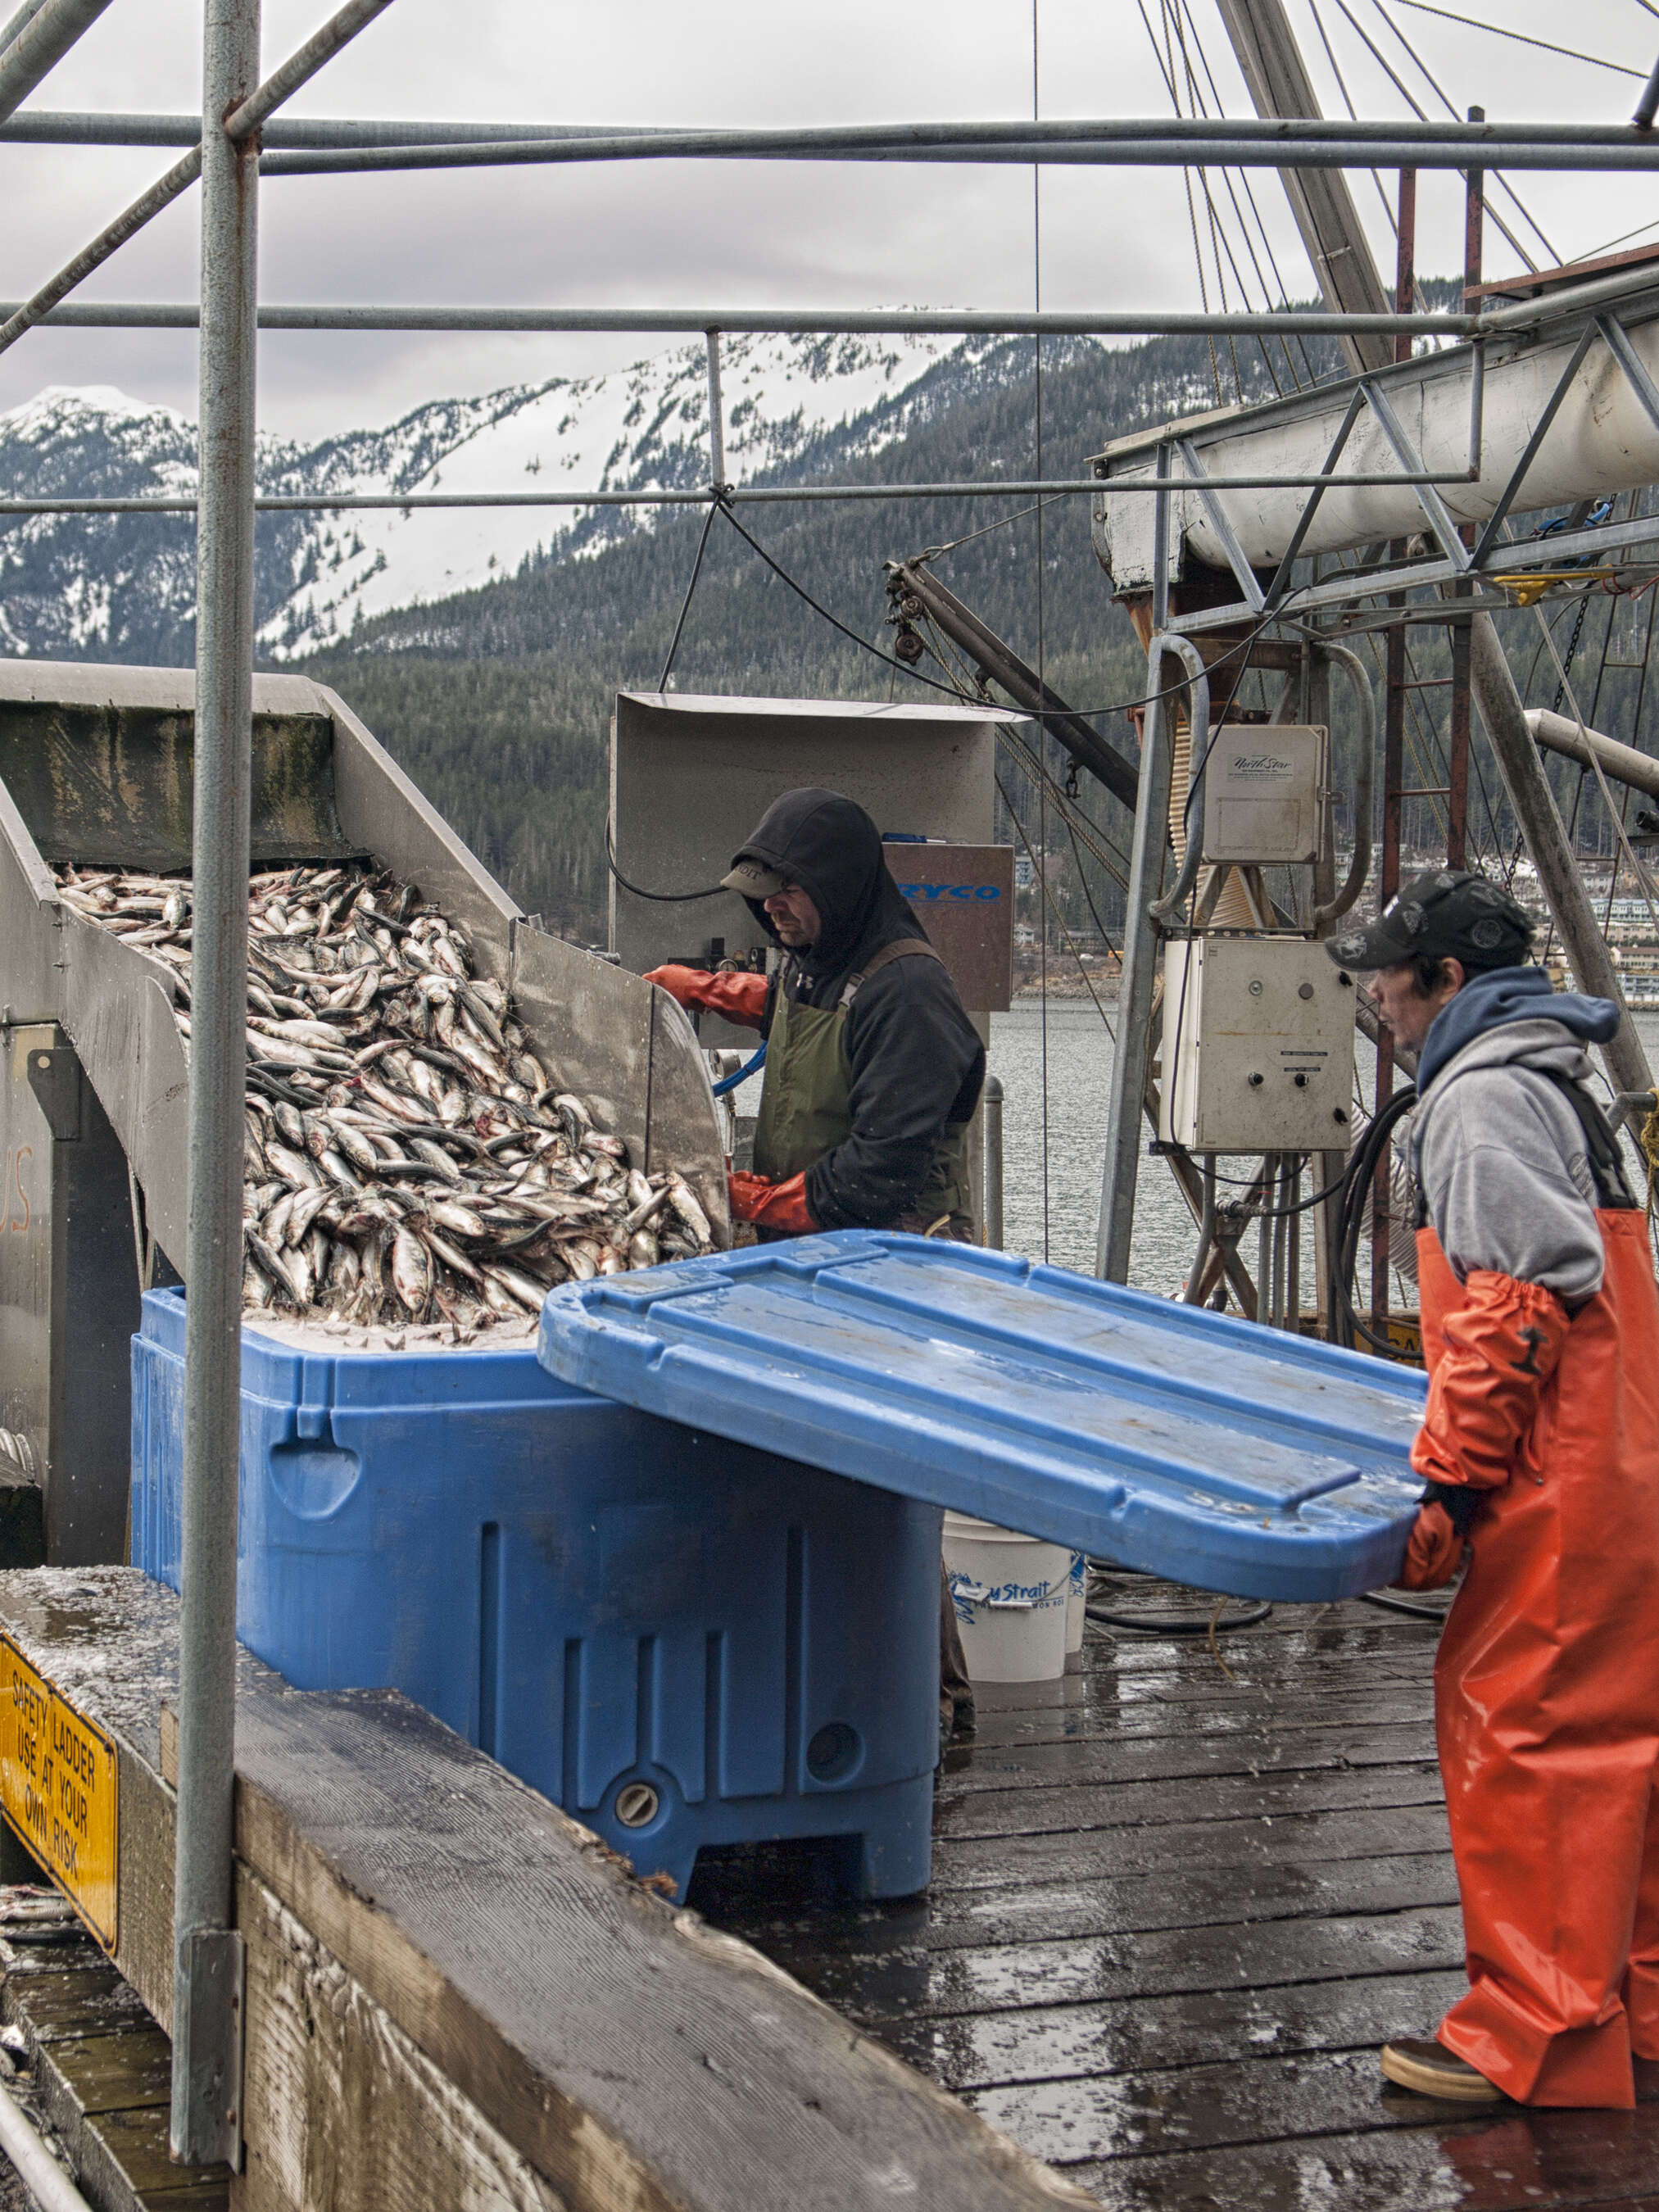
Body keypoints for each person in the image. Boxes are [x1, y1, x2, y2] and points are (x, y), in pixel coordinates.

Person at [1326, 866, 1659, 2110]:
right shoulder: (1566, 1078)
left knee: (1526, 1737)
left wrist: (1451, 1494)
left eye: (1387, 977)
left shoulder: (1471, 1105)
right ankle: (1638, 2012)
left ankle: (1538, 2034)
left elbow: (1515, 1312)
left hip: (1556, 1481)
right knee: (1628, 1748)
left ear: (1446, 983)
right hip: (1630, 1461)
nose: (1373, 997)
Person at [646, 786, 986, 1743]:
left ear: (836, 884)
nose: (774, 914)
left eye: (788, 895)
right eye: (764, 901)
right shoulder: (813, 965)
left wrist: (750, 1200)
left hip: (892, 1270)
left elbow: (881, 1172)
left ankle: (935, 1706)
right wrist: (712, 991)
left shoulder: (909, 990)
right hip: (812, 1271)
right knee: (816, 1474)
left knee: (885, 1486)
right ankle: (826, 1677)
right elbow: (803, 1021)